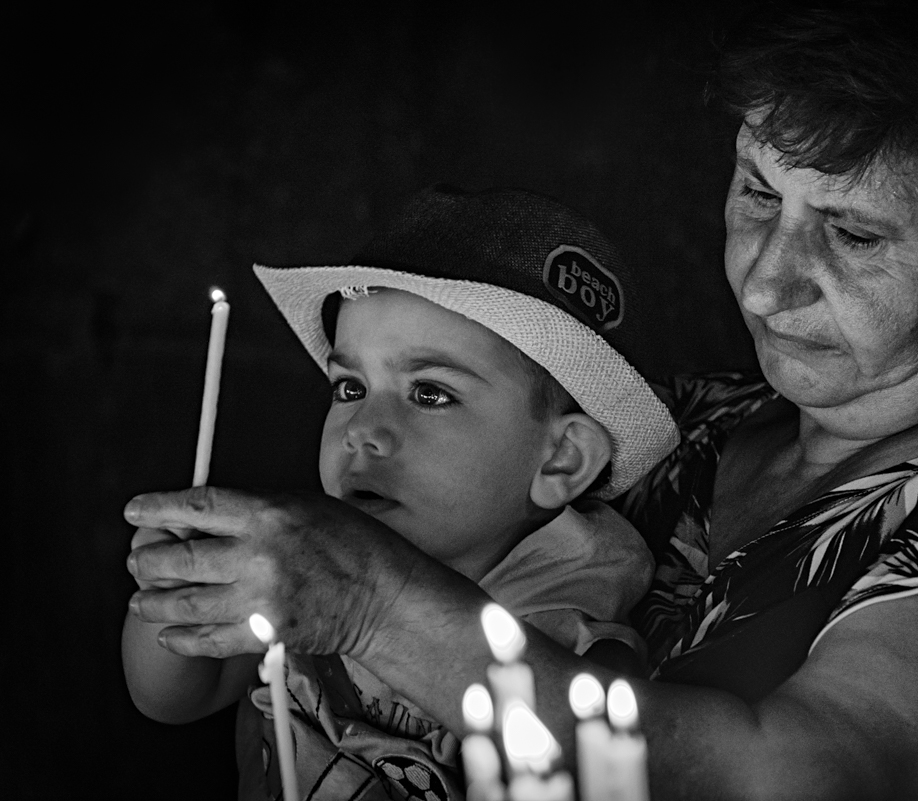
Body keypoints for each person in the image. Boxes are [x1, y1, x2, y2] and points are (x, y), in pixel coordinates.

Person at [123, 2, 918, 798]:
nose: (766, 283)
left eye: (853, 233)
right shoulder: (688, 423)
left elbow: (801, 782)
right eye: (757, 194)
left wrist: (371, 601)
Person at [121, 185, 680, 800]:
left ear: (562, 459)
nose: (362, 430)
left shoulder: (566, 644)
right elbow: (175, 698)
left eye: (429, 394)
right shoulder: (299, 558)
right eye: (350, 388)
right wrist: (174, 589)